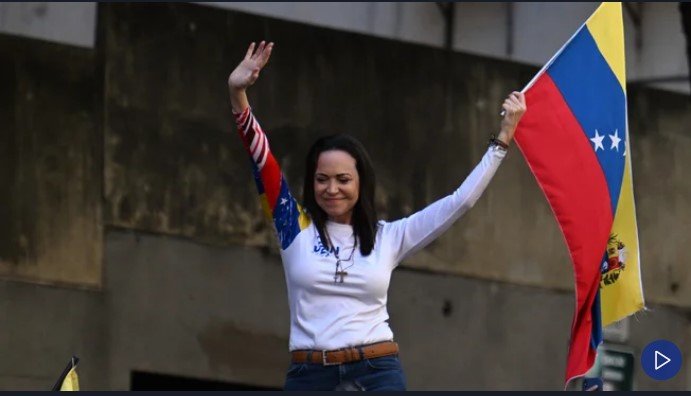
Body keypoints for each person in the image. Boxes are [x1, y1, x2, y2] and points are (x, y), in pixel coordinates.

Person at [228, 41, 526, 391]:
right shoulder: (294, 226)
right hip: (310, 376)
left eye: (343, 180)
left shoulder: (389, 237)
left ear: (361, 182)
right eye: (322, 180)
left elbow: (459, 203)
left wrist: (503, 139)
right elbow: (260, 157)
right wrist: (237, 94)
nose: (332, 189)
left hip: (376, 374)